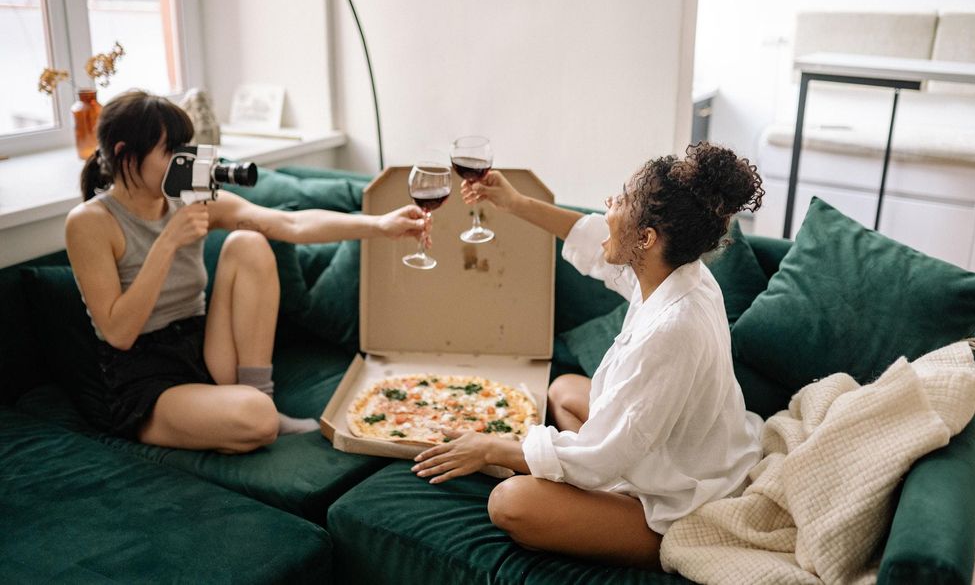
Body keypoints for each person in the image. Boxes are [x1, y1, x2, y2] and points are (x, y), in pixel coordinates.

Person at [411, 142, 766, 569]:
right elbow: (596, 240)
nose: (610, 204)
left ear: (647, 238)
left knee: (510, 502)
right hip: (675, 451)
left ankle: (628, 528)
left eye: (623, 199)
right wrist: (515, 202)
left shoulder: (672, 330)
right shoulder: (681, 270)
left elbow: (600, 457)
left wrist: (490, 448)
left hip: (683, 500)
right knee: (563, 390)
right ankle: (584, 497)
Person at [66, 90, 427, 453]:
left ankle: (255, 396)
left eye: (184, 148)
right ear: (124, 153)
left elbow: (290, 224)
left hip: (199, 348)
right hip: (142, 378)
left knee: (249, 243)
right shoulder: (91, 223)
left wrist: (380, 225)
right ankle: (245, 412)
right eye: (170, 151)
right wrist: (167, 243)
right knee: (257, 419)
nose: (184, 160)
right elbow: (119, 333)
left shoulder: (189, 198)